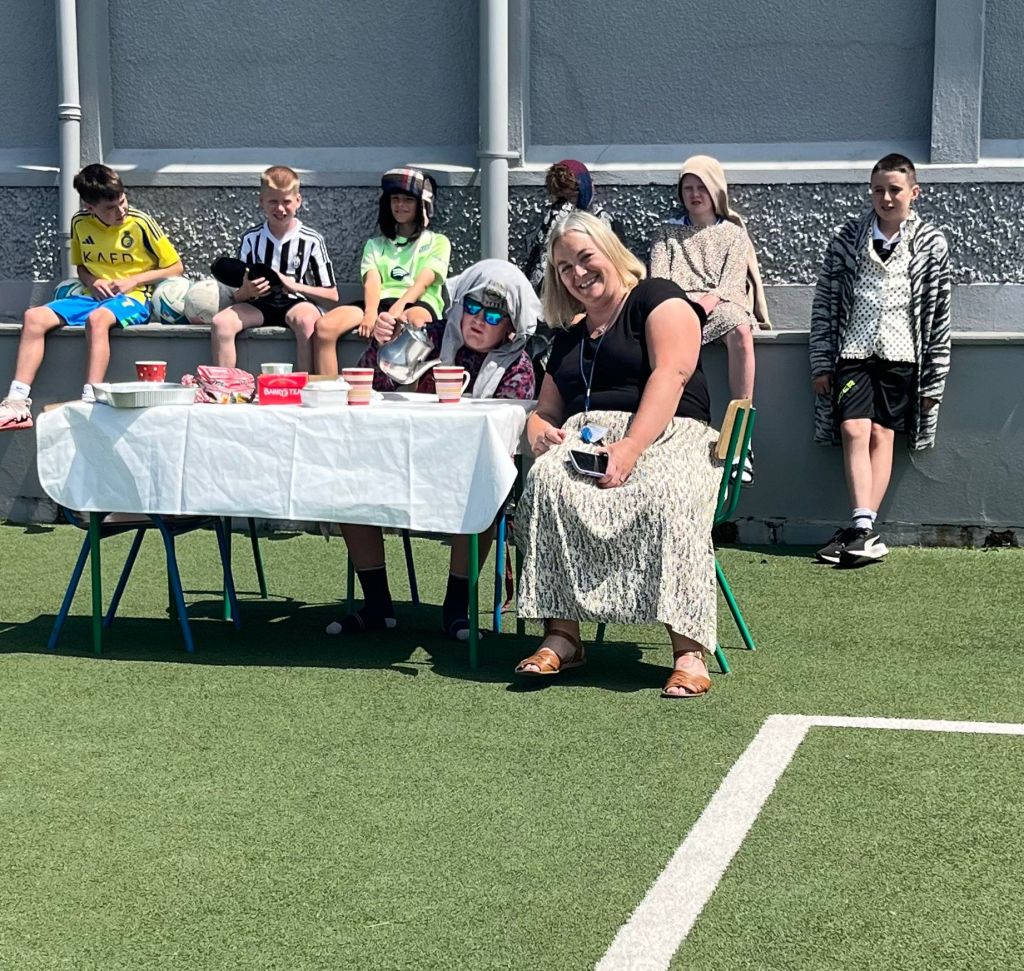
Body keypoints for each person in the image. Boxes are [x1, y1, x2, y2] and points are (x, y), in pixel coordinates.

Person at [513, 211, 722, 699]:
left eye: (586, 258)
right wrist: (538, 430)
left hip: (667, 433)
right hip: (586, 445)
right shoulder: (567, 336)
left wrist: (630, 446)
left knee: (666, 492)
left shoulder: (656, 297)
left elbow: (672, 373)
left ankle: (688, 651)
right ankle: (562, 636)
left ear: (610, 251)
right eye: (565, 267)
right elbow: (545, 410)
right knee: (545, 481)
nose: (578, 273)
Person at [327, 259, 539, 640]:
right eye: (472, 307)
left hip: (467, 473)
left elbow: (510, 435)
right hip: (403, 459)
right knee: (349, 481)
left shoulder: (517, 367)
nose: (478, 320)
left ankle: (456, 609)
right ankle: (377, 605)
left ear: (511, 327)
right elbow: (374, 382)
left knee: (485, 492)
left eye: (493, 315)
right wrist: (382, 344)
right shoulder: (432, 337)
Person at [810, 153, 951, 567]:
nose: (886, 198)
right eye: (878, 190)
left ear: (913, 192)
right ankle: (862, 531)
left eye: (894, 190)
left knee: (882, 433)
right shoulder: (847, 237)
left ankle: (860, 531)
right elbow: (825, 300)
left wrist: (934, 381)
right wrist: (821, 362)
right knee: (852, 428)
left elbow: (939, 314)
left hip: (902, 354)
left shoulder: (931, 243)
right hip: (853, 351)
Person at [0, 164, 184, 430]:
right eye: (110, 208)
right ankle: (17, 402)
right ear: (89, 206)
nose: (121, 211)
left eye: (122, 201)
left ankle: (90, 397)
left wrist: (134, 280)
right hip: (92, 297)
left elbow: (176, 267)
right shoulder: (79, 223)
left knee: (97, 320)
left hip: (134, 298)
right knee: (33, 317)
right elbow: (82, 268)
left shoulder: (141, 223)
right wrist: (93, 282)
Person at [649, 155, 771, 482]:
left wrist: (706, 303)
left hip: (718, 304)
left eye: (701, 187)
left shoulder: (733, 234)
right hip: (676, 304)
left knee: (741, 330)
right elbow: (658, 280)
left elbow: (732, 284)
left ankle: (740, 439)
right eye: (688, 187)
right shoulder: (665, 233)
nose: (694, 194)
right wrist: (682, 306)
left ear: (715, 189)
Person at [313, 168, 451, 376]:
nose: (400, 205)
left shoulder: (438, 242)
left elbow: (422, 283)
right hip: (378, 303)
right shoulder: (375, 245)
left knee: (414, 324)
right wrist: (371, 313)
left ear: (422, 204)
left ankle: (407, 391)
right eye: (395, 199)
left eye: (408, 200)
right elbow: (372, 281)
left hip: (417, 303)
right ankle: (329, 388)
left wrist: (395, 312)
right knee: (325, 326)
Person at [209, 165, 337, 372]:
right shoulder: (251, 238)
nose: (280, 208)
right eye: (273, 202)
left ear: (298, 201)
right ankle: (226, 385)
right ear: (261, 201)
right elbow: (238, 294)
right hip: (258, 304)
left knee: (307, 322)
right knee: (221, 322)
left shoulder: (311, 240)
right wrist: (246, 292)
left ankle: (305, 384)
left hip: (297, 303)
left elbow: (332, 295)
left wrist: (293, 285)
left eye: (286, 201)